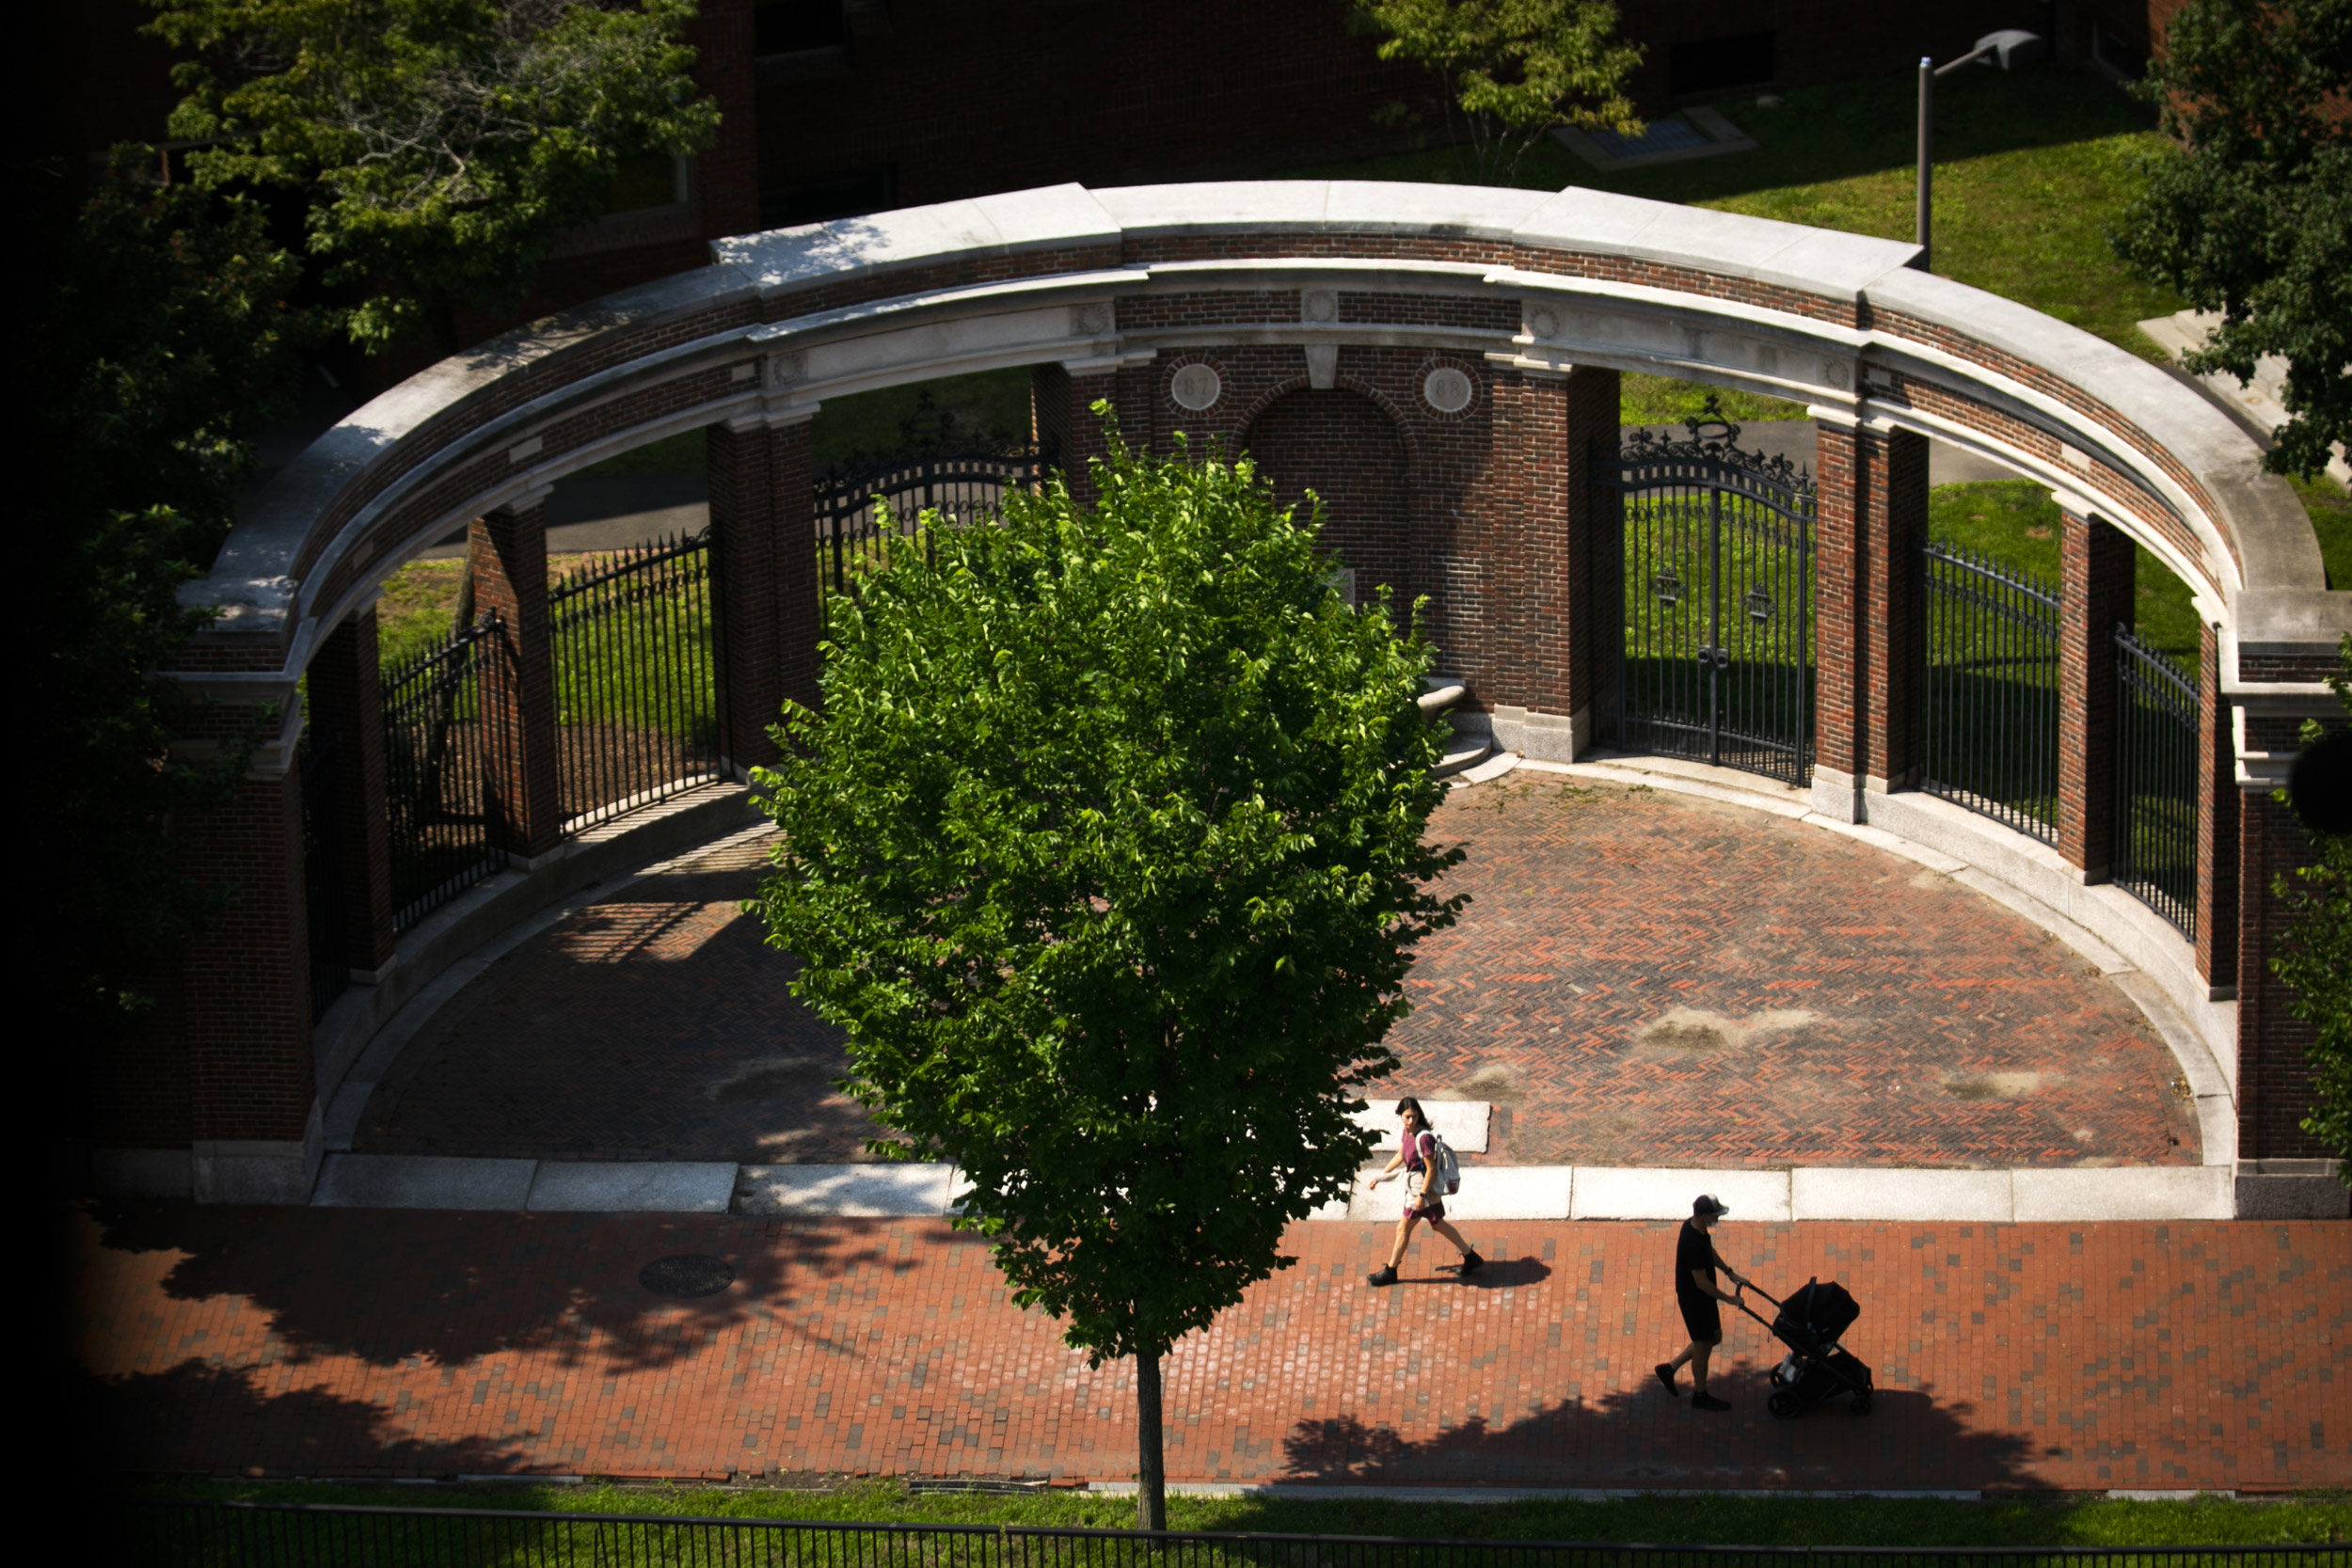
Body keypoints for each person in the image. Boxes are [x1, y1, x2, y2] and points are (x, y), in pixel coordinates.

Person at [1363, 1097, 1484, 1285]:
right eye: (1407, 1117)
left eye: (1414, 1116)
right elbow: (1401, 1154)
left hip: (1421, 1189)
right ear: (1400, 1116)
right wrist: (1380, 1176)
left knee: (1403, 1228)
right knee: (1437, 1224)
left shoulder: (1424, 1138)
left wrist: (1421, 1196)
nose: (1411, 1120)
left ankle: (1390, 1271)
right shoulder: (1407, 1132)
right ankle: (1470, 1256)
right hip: (1418, 1188)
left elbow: (1431, 1169)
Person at [1656, 1193, 1750, 1411]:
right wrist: (1729, 1299)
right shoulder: (1692, 1243)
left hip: (1703, 1299)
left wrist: (1729, 1272)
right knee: (1703, 1344)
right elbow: (1702, 1283)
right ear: (1704, 1215)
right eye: (1714, 1215)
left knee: (1714, 1337)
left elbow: (1709, 1251)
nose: (1717, 1218)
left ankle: (1669, 1369)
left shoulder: (1695, 1227)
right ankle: (1700, 1395)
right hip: (1694, 1301)